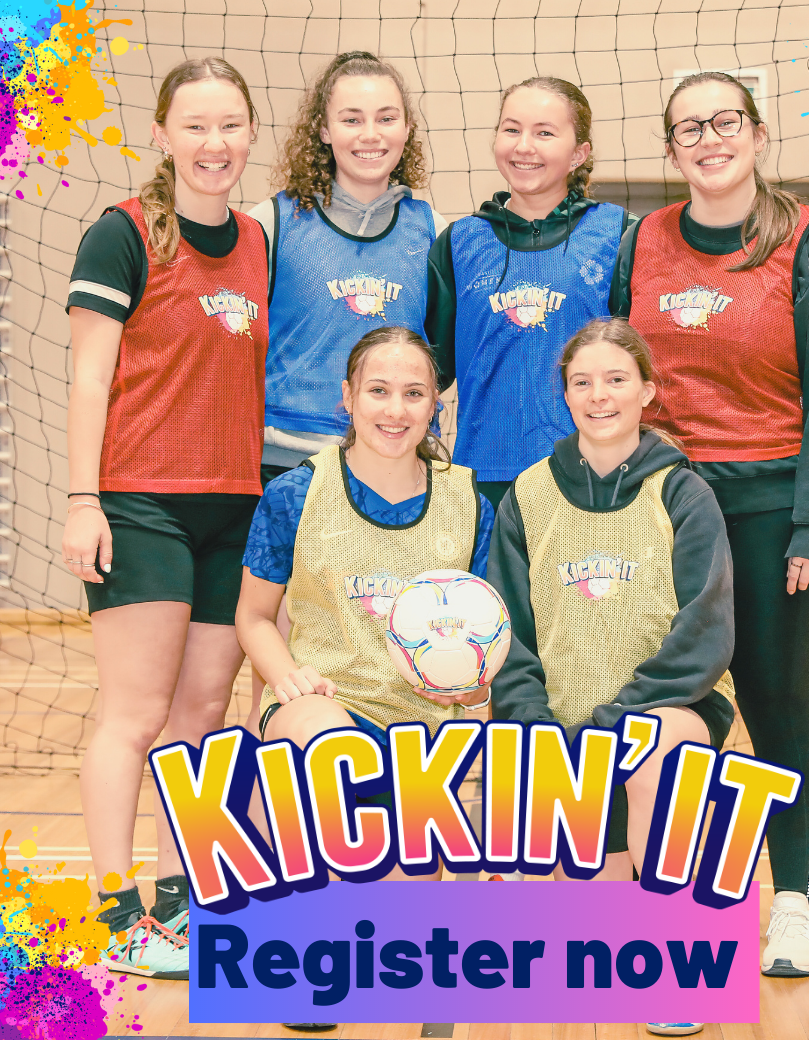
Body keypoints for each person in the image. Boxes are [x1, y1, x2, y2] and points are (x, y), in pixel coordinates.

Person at [611, 71, 809, 979]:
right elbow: (619, 371)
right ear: (671, 148)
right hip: (664, 510)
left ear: (757, 134)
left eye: (725, 121)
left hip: (769, 511)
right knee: (660, 708)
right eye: (689, 127)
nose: (709, 138)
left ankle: (791, 907)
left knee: (776, 706)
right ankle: (660, 906)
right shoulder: (643, 241)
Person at [63, 57, 267, 979]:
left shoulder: (256, 241)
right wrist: (83, 501)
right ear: (162, 134)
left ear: (250, 134)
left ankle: (183, 898)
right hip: (140, 504)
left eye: (229, 126)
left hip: (236, 506)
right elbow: (88, 379)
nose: (214, 144)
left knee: (205, 713)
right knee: (136, 713)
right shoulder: (123, 234)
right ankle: (116, 913)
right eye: (196, 126)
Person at [489, 319, 735, 1040]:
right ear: (565, 395)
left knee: (655, 752)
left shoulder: (683, 492)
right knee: (589, 941)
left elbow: (705, 632)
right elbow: (507, 629)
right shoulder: (529, 494)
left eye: (616, 379)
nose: (599, 395)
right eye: (583, 382)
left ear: (648, 391)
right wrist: (534, 723)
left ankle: (677, 962)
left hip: (665, 707)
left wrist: (617, 719)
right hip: (558, 720)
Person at [244, 50, 447, 739]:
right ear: (323, 129)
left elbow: (439, 359)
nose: (370, 133)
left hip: (387, 470)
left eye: (386, 117)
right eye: (352, 118)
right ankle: (273, 796)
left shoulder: (431, 229)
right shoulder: (271, 222)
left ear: (407, 129)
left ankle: (384, 786)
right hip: (286, 464)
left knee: (379, 647)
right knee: (279, 666)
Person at [236, 325, 493, 833]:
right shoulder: (295, 493)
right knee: (336, 753)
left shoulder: (470, 505)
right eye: (378, 390)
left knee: (403, 884)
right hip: (325, 705)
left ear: (434, 406)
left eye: (414, 394)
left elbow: (485, 639)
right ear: (349, 397)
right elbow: (254, 616)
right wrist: (287, 676)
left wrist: (474, 697)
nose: (395, 410)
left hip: (425, 726)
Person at [425, 77, 637, 513]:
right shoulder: (459, 242)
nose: (524, 146)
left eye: (544, 132)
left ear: (579, 153)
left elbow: (641, 366)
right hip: (484, 478)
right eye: (511, 129)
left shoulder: (618, 234)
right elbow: (430, 372)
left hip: (593, 476)